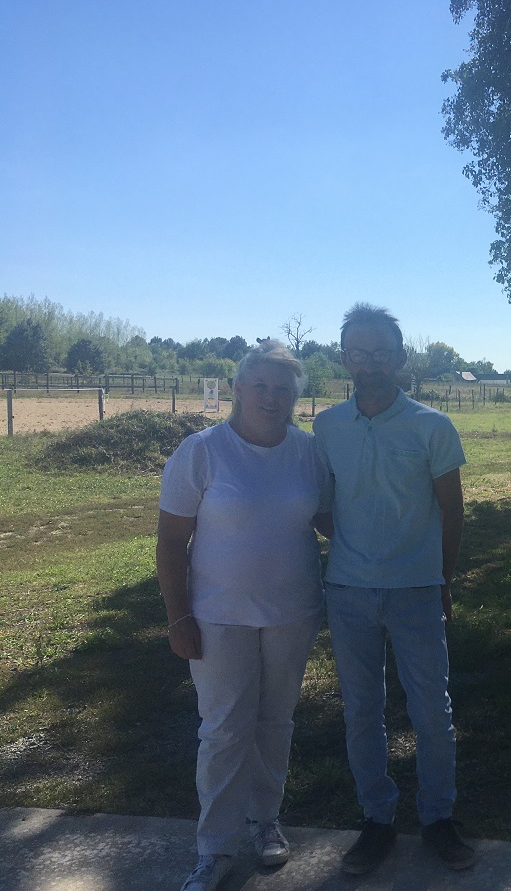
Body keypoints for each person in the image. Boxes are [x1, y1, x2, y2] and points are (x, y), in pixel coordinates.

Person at [157, 340, 329, 891]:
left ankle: (265, 822)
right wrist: (178, 617)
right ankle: (213, 849)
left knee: (275, 722)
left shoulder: (307, 452)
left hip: (292, 612)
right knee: (225, 729)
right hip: (216, 617)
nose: (272, 398)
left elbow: (331, 521)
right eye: (262, 386)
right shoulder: (201, 452)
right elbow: (170, 542)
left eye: (284, 389)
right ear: (237, 388)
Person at [312, 302, 471, 875]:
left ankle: (438, 820)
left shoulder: (432, 426)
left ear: (400, 359)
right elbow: (320, 504)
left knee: (431, 709)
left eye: (381, 353)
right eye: (359, 352)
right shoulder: (326, 426)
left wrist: (442, 578)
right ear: (344, 357)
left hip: (416, 591)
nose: (370, 363)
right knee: (361, 711)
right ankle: (376, 821)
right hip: (348, 592)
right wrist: (356, 545)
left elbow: (452, 513)